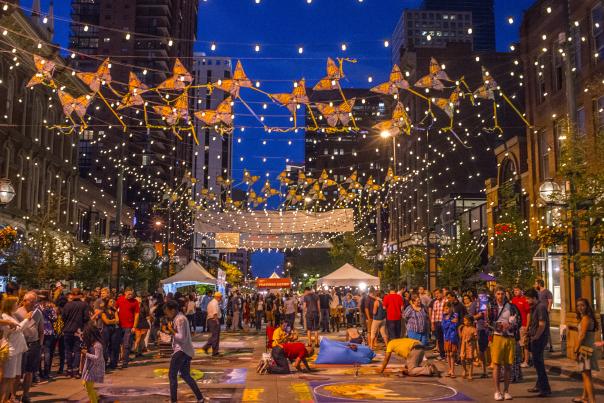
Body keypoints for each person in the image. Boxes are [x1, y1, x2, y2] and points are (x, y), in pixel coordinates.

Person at [163, 300, 204, 403]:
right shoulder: (179, 318)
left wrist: (170, 329)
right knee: (185, 375)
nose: (167, 314)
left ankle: (174, 400)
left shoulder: (180, 319)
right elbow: (179, 335)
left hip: (181, 351)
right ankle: (200, 398)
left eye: (167, 312)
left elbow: (181, 338)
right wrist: (168, 331)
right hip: (186, 351)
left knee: (172, 375)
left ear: (172, 310)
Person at [489, 286, 519, 401]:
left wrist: (511, 326)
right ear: (495, 295)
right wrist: (499, 326)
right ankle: (497, 391)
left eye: (502, 294)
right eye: (498, 294)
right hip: (497, 337)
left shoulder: (512, 307)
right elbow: (488, 322)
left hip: (509, 337)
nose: (500, 296)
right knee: (496, 365)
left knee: (508, 365)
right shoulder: (491, 307)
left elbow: (519, 321)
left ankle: (506, 391)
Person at [14, 291, 44, 402]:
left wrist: (40, 345)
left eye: (35, 301)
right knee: (18, 372)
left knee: (29, 371)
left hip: (34, 345)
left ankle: (25, 395)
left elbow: (41, 330)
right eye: (32, 301)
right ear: (25, 301)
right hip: (20, 345)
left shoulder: (38, 313)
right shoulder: (17, 312)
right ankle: (12, 395)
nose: (34, 304)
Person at [0, 296, 29, 402]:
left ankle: (8, 399)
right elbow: (18, 328)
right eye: (16, 303)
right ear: (10, 305)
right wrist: (27, 319)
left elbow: (19, 329)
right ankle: (3, 399)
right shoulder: (5, 316)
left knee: (13, 377)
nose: (18, 305)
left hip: (17, 349)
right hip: (11, 349)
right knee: (7, 378)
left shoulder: (11, 315)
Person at [525, 288, 551, 397]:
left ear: (534, 298)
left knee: (539, 364)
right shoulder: (534, 307)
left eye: (528, 298)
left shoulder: (540, 307)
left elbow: (542, 324)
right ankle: (539, 385)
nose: (526, 300)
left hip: (539, 339)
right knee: (537, 363)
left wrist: (535, 337)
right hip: (536, 338)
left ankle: (545, 389)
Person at [573, 298, 600, 403]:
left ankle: (592, 401)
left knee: (587, 377)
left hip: (585, 351)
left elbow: (582, 335)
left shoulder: (585, 319)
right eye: (578, 305)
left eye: (582, 305)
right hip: (589, 349)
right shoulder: (589, 318)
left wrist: (576, 349)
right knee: (586, 375)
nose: (580, 307)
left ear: (587, 306)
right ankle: (584, 397)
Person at [62, 288, 90, 377]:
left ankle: (69, 369)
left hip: (67, 330)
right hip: (78, 330)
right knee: (77, 350)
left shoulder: (67, 305)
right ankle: (76, 370)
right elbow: (86, 318)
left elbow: (63, 317)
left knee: (68, 350)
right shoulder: (84, 305)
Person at [115, 287, 140, 368]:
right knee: (118, 343)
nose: (130, 296)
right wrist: (116, 318)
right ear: (125, 293)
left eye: (131, 294)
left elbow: (137, 314)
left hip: (129, 326)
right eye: (129, 294)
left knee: (126, 344)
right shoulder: (120, 299)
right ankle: (115, 361)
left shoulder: (135, 302)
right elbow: (114, 309)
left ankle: (125, 362)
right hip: (119, 325)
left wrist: (134, 326)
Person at [80, 323, 104, 403]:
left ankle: (94, 401)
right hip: (91, 369)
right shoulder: (92, 344)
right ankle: (95, 399)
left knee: (90, 389)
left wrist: (86, 354)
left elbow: (97, 358)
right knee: (87, 386)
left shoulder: (97, 345)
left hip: (95, 370)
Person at [469, 289, 489, 378]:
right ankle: (482, 370)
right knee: (480, 350)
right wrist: (479, 315)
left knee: (485, 350)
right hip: (479, 329)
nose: (483, 297)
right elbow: (470, 318)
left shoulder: (490, 303)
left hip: (489, 329)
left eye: (484, 296)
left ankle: (485, 371)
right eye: (481, 296)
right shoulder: (475, 304)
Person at [511, 286, 530, 368]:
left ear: (521, 290)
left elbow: (529, 313)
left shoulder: (525, 300)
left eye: (517, 290)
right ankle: (520, 359)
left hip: (523, 324)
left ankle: (526, 361)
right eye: (514, 290)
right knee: (518, 344)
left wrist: (527, 325)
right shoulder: (514, 300)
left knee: (525, 344)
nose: (515, 291)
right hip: (515, 326)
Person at [39, 295, 57, 380]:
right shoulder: (51, 308)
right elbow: (55, 318)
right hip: (49, 331)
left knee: (39, 352)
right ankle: (46, 372)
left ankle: (39, 372)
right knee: (47, 352)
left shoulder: (36, 308)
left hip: (39, 331)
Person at [100, 298, 120, 369]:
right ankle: (103, 363)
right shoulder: (103, 310)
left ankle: (113, 363)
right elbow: (106, 321)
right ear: (107, 302)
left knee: (113, 346)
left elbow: (118, 320)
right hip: (106, 329)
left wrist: (112, 321)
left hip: (114, 329)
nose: (112, 303)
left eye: (113, 301)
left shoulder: (114, 310)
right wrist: (113, 321)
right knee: (104, 346)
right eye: (111, 301)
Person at [534, 279, 554, 351]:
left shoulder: (547, 292)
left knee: (546, 328)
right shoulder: (538, 292)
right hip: (539, 313)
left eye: (536, 284)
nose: (535, 285)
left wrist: (548, 310)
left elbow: (550, 301)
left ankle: (549, 345)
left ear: (539, 284)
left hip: (544, 313)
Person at [202, 291, 222, 356]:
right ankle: (215, 352)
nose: (221, 298)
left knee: (214, 336)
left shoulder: (212, 302)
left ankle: (206, 347)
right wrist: (217, 321)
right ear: (218, 297)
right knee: (215, 336)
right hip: (213, 320)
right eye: (220, 297)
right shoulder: (214, 303)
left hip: (211, 320)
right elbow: (215, 313)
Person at [441, 302, 458, 378]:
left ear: (451, 308)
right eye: (445, 308)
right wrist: (450, 322)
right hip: (446, 337)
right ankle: (449, 370)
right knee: (447, 354)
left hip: (452, 336)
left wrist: (449, 322)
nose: (446, 310)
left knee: (452, 354)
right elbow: (443, 326)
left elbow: (454, 326)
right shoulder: (444, 316)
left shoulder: (455, 315)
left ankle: (453, 371)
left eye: (447, 308)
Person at [429, 288, 446, 361]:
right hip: (437, 322)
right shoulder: (435, 302)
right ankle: (442, 355)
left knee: (446, 339)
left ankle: (447, 355)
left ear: (442, 293)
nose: (437, 295)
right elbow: (433, 313)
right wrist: (432, 324)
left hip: (444, 322)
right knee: (439, 339)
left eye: (438, 293)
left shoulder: (446, 301)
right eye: (435, 294)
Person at [460, 315, 478, 380]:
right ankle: (465, 370)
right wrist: (459, 329)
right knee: (462, 359)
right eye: (464, 321)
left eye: (466, 320)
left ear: (470, 321)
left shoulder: (473, 329)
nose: (464, 322)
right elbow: (461, 336)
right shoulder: (464, 328)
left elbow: (476, 337)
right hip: (463, 346)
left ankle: (470, 374)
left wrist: (471, 338)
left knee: (470, 360)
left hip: (470, 346)